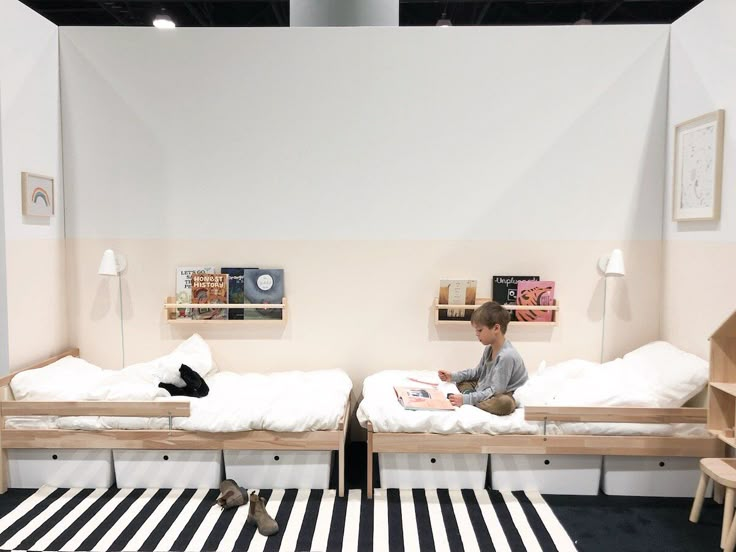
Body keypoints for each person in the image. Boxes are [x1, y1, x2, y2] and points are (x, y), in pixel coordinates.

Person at [438, 301, 528, 416]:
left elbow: (496, 391)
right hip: (490, 387)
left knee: (505, 404)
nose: (476, 334)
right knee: (463, 381)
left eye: (480, 330)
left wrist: (466, 399)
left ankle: (474, 402)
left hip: (504, 393)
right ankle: (473, 396)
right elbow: (477, 372)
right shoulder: (489, 349)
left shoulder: (507, 356)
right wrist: (453, 376)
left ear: (496, 328)